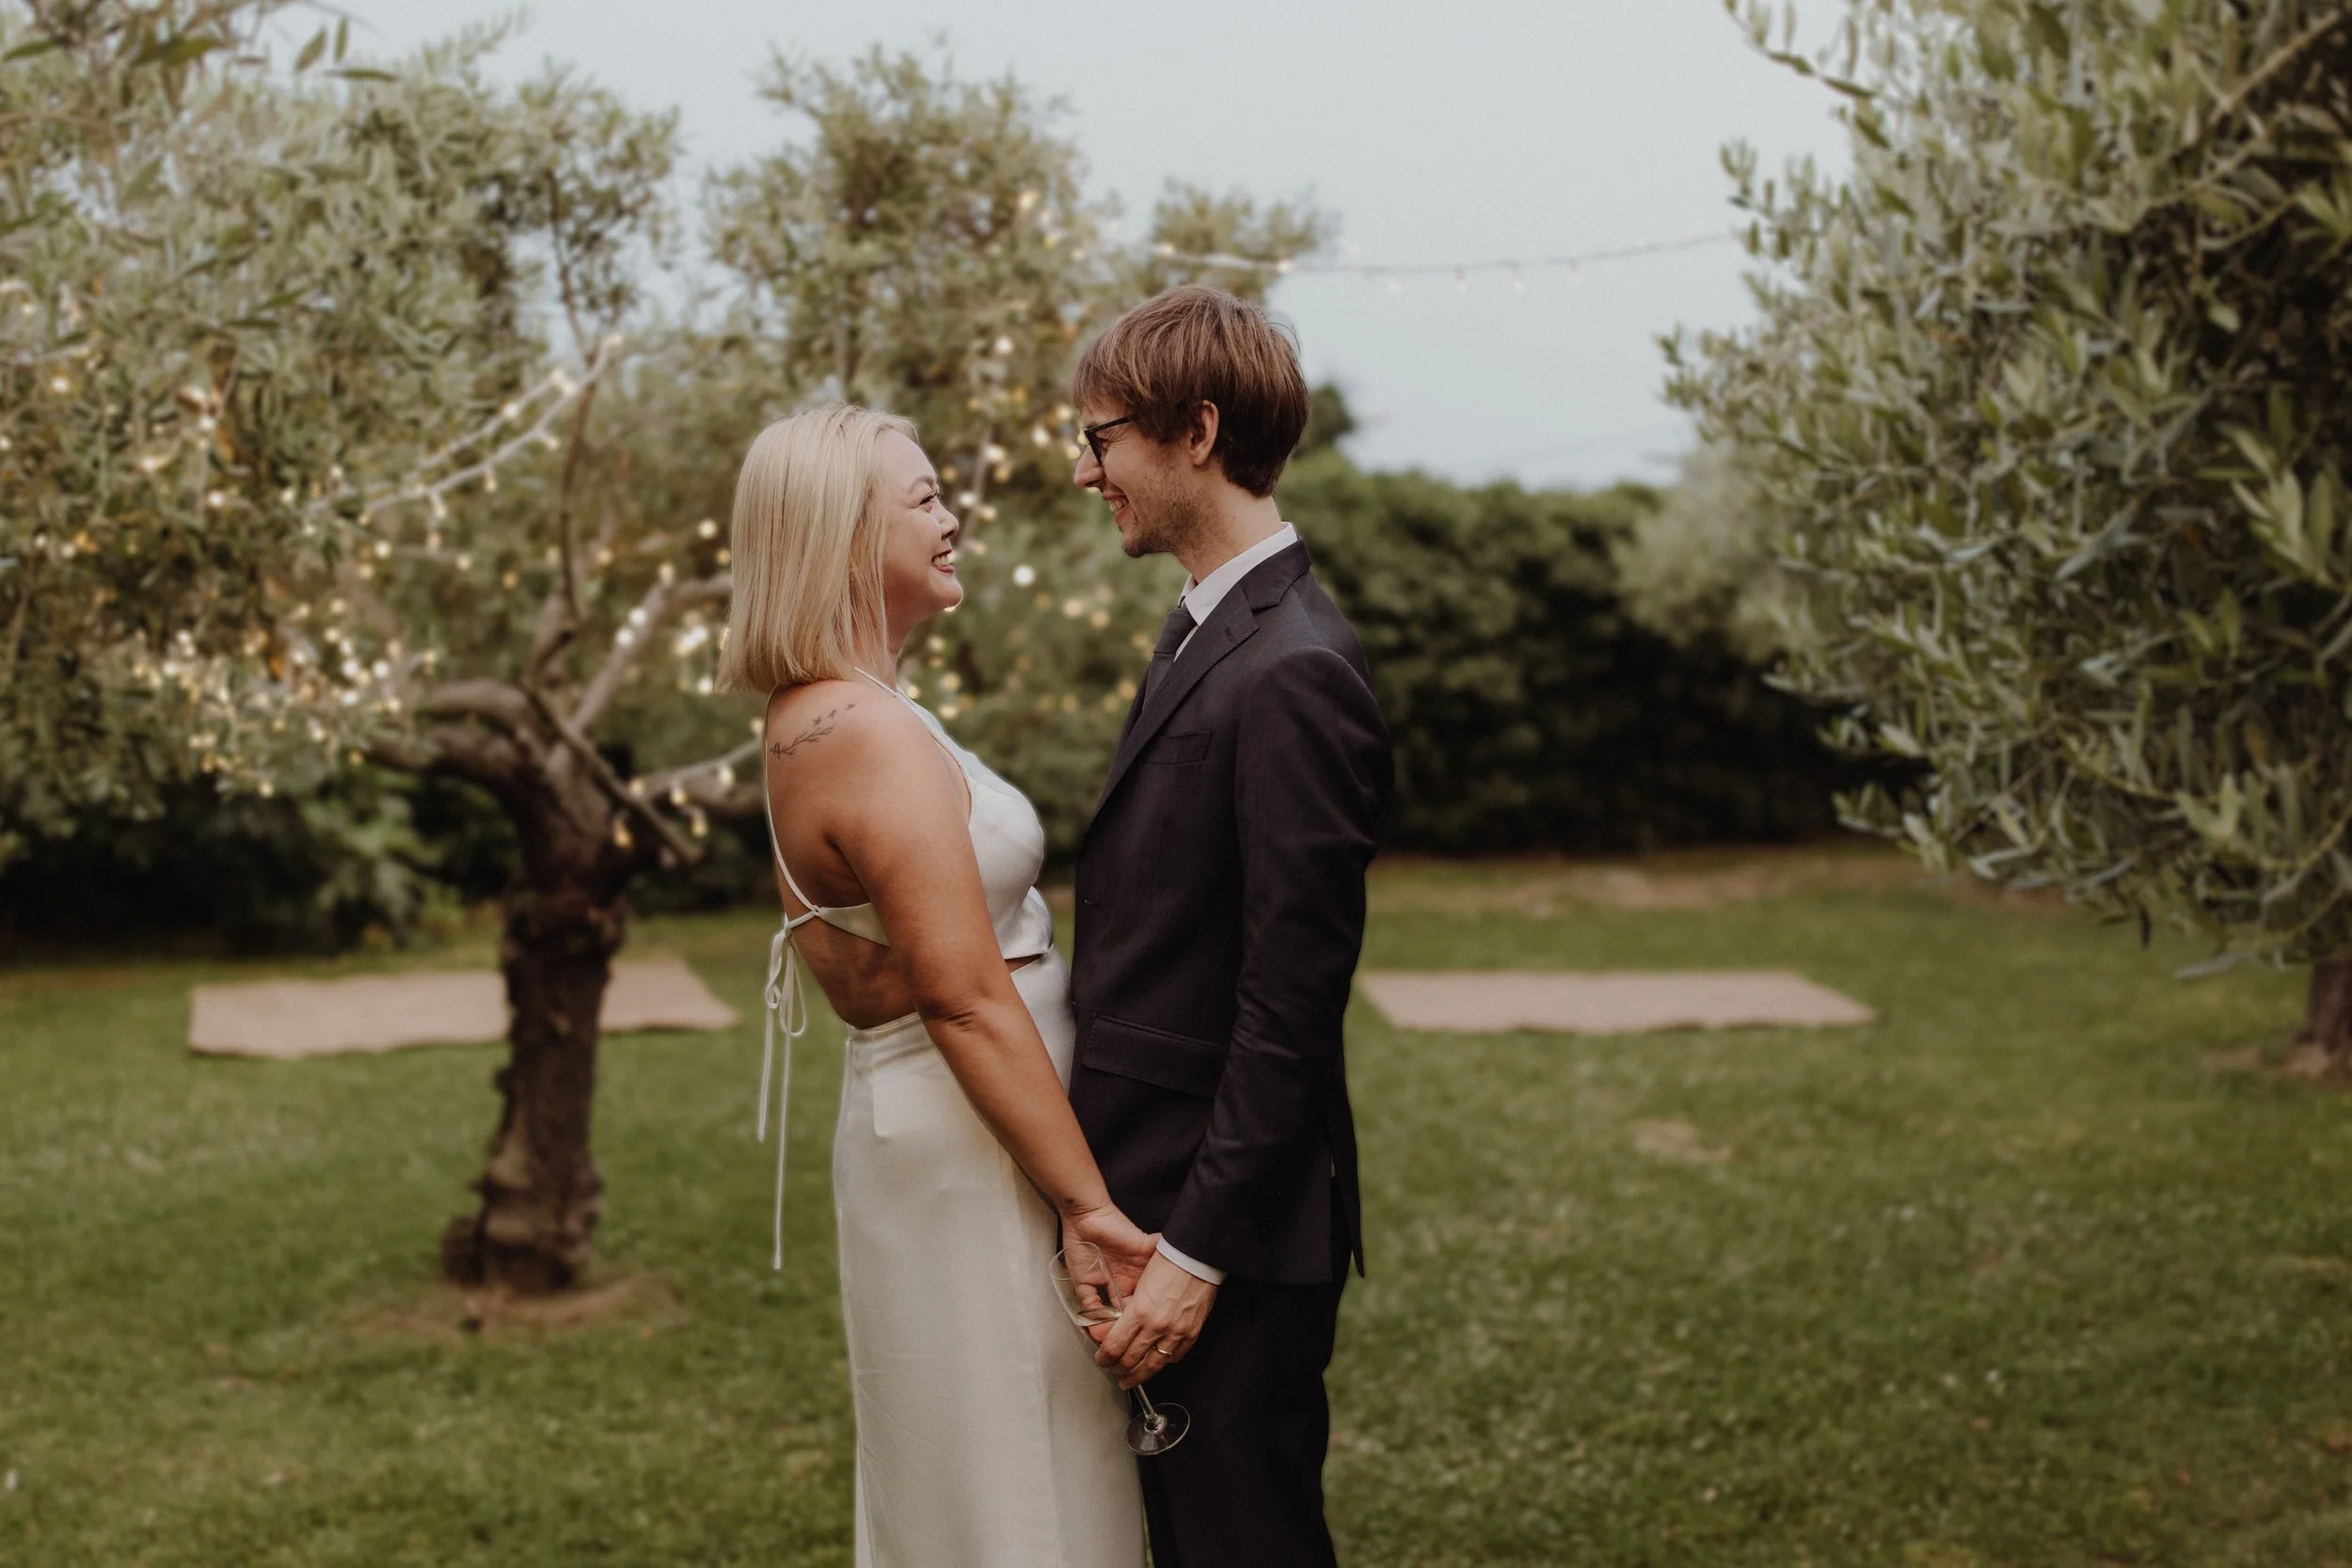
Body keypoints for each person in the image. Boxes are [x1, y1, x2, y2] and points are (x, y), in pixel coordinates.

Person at [718, 405, 1151, 1568]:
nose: (952, 519)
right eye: (922, 500)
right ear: (840, 534)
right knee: (1010, 1473)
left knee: (1028, 1455)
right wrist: (1088, 1210)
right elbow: (959, 998)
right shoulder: (857, 728)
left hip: (960, 1120)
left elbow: (857, 978)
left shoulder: (838, 712)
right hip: (975, 1143)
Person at [1067, 285, 1395, 1568]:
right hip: (1156, 1190)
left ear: (1193, 428)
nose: (1088, 471)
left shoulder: (1297, 666)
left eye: (1100, 437)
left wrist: (1194, 1252)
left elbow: (1290, 998)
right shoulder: (1207, 628)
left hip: (1229, 1226)